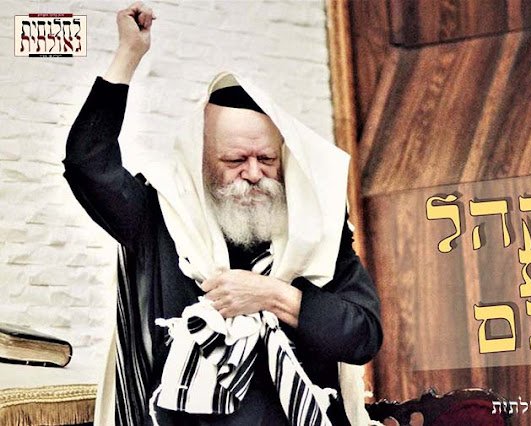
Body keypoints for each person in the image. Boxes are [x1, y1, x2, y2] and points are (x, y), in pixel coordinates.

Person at [64, 2, 382, 425]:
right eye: (235, 161)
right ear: (203, 161)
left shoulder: (314, 231)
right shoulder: (160, 219)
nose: (253, 174)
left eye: (266, 159)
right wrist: (128, 55)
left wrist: (273, 296)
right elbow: (87, 163)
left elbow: (363, 335)